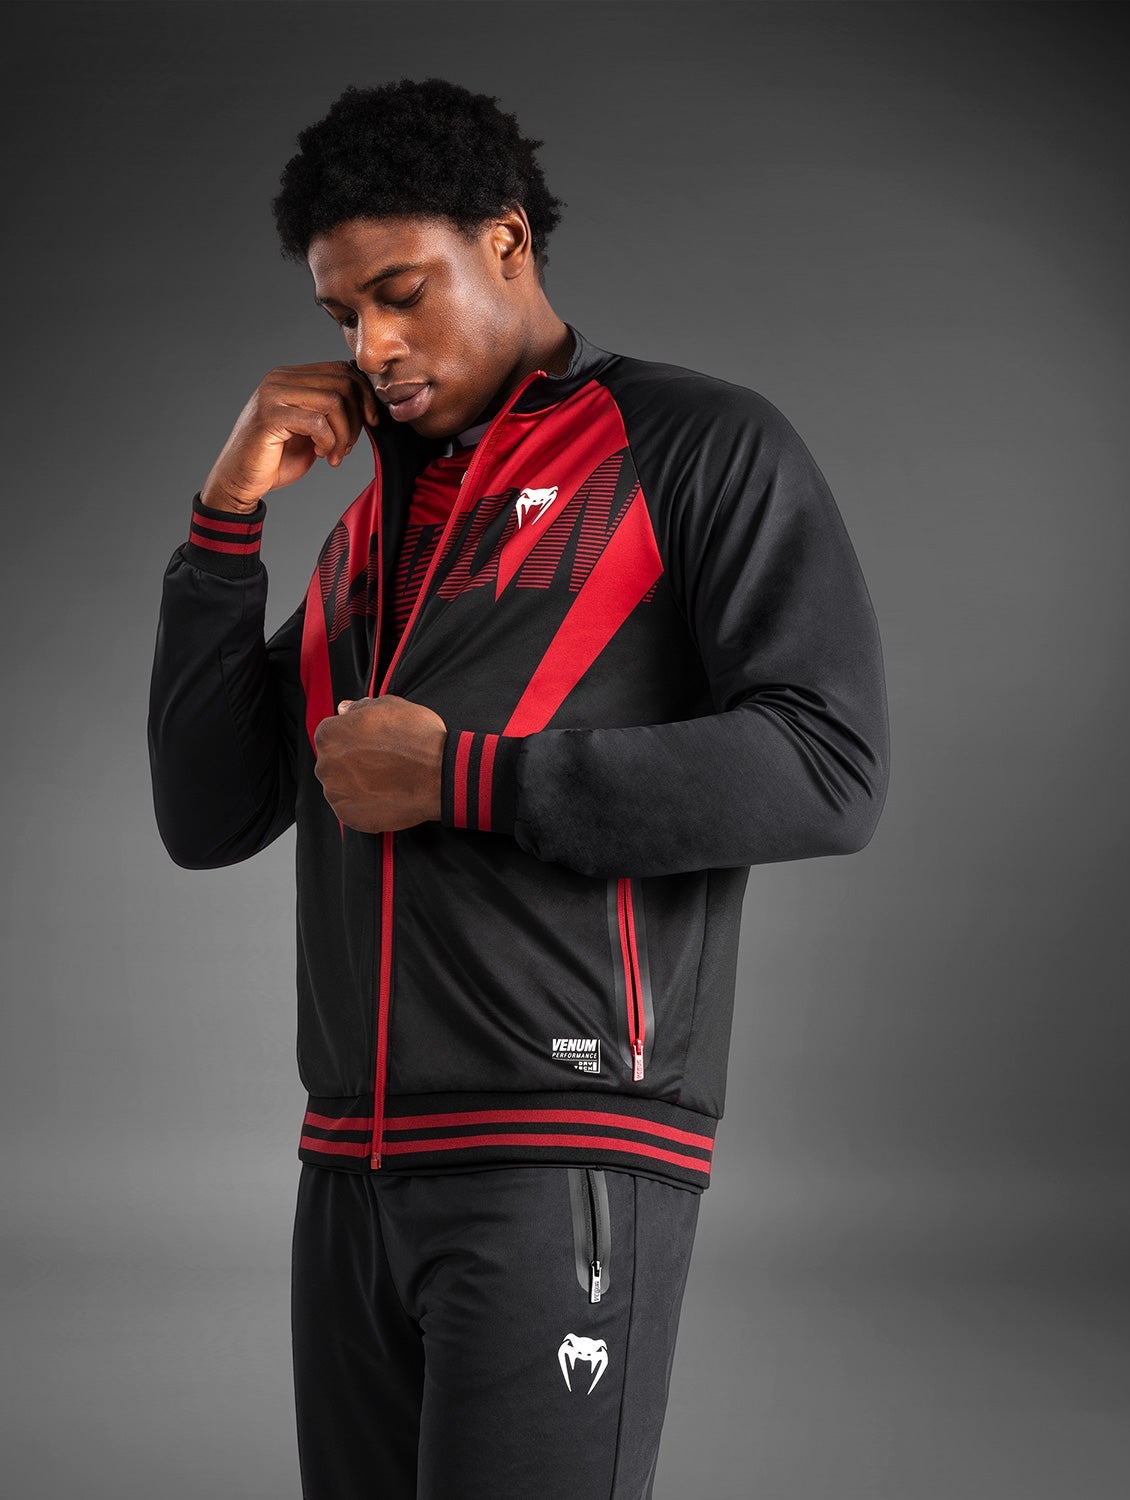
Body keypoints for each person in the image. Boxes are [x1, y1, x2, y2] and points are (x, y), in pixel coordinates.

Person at [148, 75, 889, 1500]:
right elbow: (207, 813)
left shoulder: (694, 446)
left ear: (506, 241)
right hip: (350, 1168)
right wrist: (225, 524)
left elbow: (829, 762)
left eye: (401, 294)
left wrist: (465, 776)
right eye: (342, 315)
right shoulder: (369, 538)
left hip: (562, 1154)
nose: (371, 346)